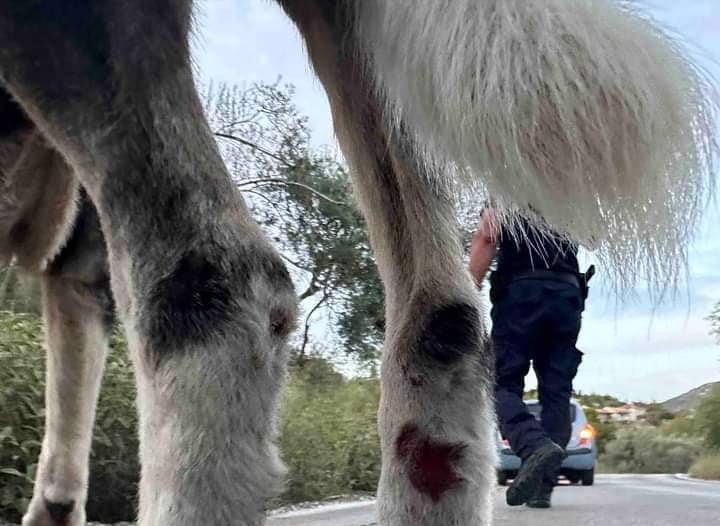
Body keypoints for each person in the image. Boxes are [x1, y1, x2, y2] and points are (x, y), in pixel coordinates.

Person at [469, 208, 593, 509]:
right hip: (567, 296)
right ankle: (542, 488)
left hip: (521, 293)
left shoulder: (506, 185)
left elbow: (487, 236)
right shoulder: (568, 193)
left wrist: (468, 289)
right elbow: (593, 235)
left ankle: (533, 445)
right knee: (556, 394)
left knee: (499, 383)